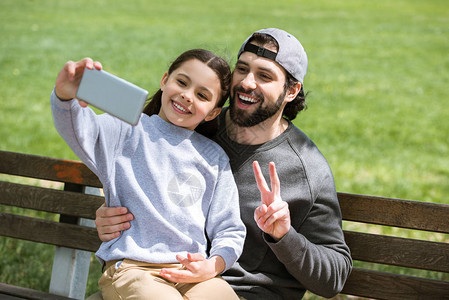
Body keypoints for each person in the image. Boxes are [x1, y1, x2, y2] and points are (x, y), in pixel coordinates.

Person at [93, 28, 353, 299]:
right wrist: (110, 213)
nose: (247, 83)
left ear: (291, 90)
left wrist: (285, 236)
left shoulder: (308, 169)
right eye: (242, 69)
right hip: (156, 279)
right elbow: (137, 153)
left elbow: (333, 277)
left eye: (264, 76)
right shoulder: (196, 120)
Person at [51, 49, 246, 300]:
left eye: (202, 95)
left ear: (212, 112)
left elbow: (229, 228)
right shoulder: (127, 130)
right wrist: (65, 97)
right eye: (182, 82)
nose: (187, 96)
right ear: (165, 80)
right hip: (133, 269)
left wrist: (214, 264)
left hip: (191, 274)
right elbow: (81, 132)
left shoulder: (214, 157)